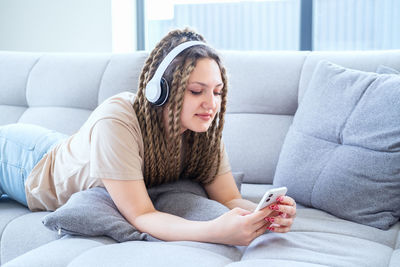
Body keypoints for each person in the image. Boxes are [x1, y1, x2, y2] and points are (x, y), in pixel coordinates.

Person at [0, 28, 296, 246]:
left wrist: (267, 214)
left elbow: (230, 198)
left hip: (60, 149)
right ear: (160, 91)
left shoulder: (203, 127)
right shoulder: (117, 118)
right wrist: (217, 231)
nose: (211, 103)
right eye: (196, 91)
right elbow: (142, 215)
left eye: (217, 91)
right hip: (22, 162)